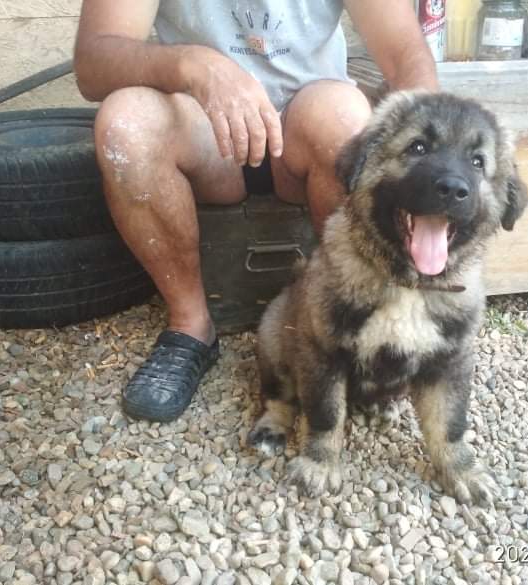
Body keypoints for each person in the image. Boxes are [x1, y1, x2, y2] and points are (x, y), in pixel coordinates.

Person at [73, 0, 439, 423]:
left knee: (345, 116)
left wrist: (430, 152)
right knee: (126, 124)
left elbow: (404, 52)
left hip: (307, 127)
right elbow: (94, 62)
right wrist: (193, 64)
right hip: (204, 131)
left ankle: (355, 322)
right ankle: (190, 327)